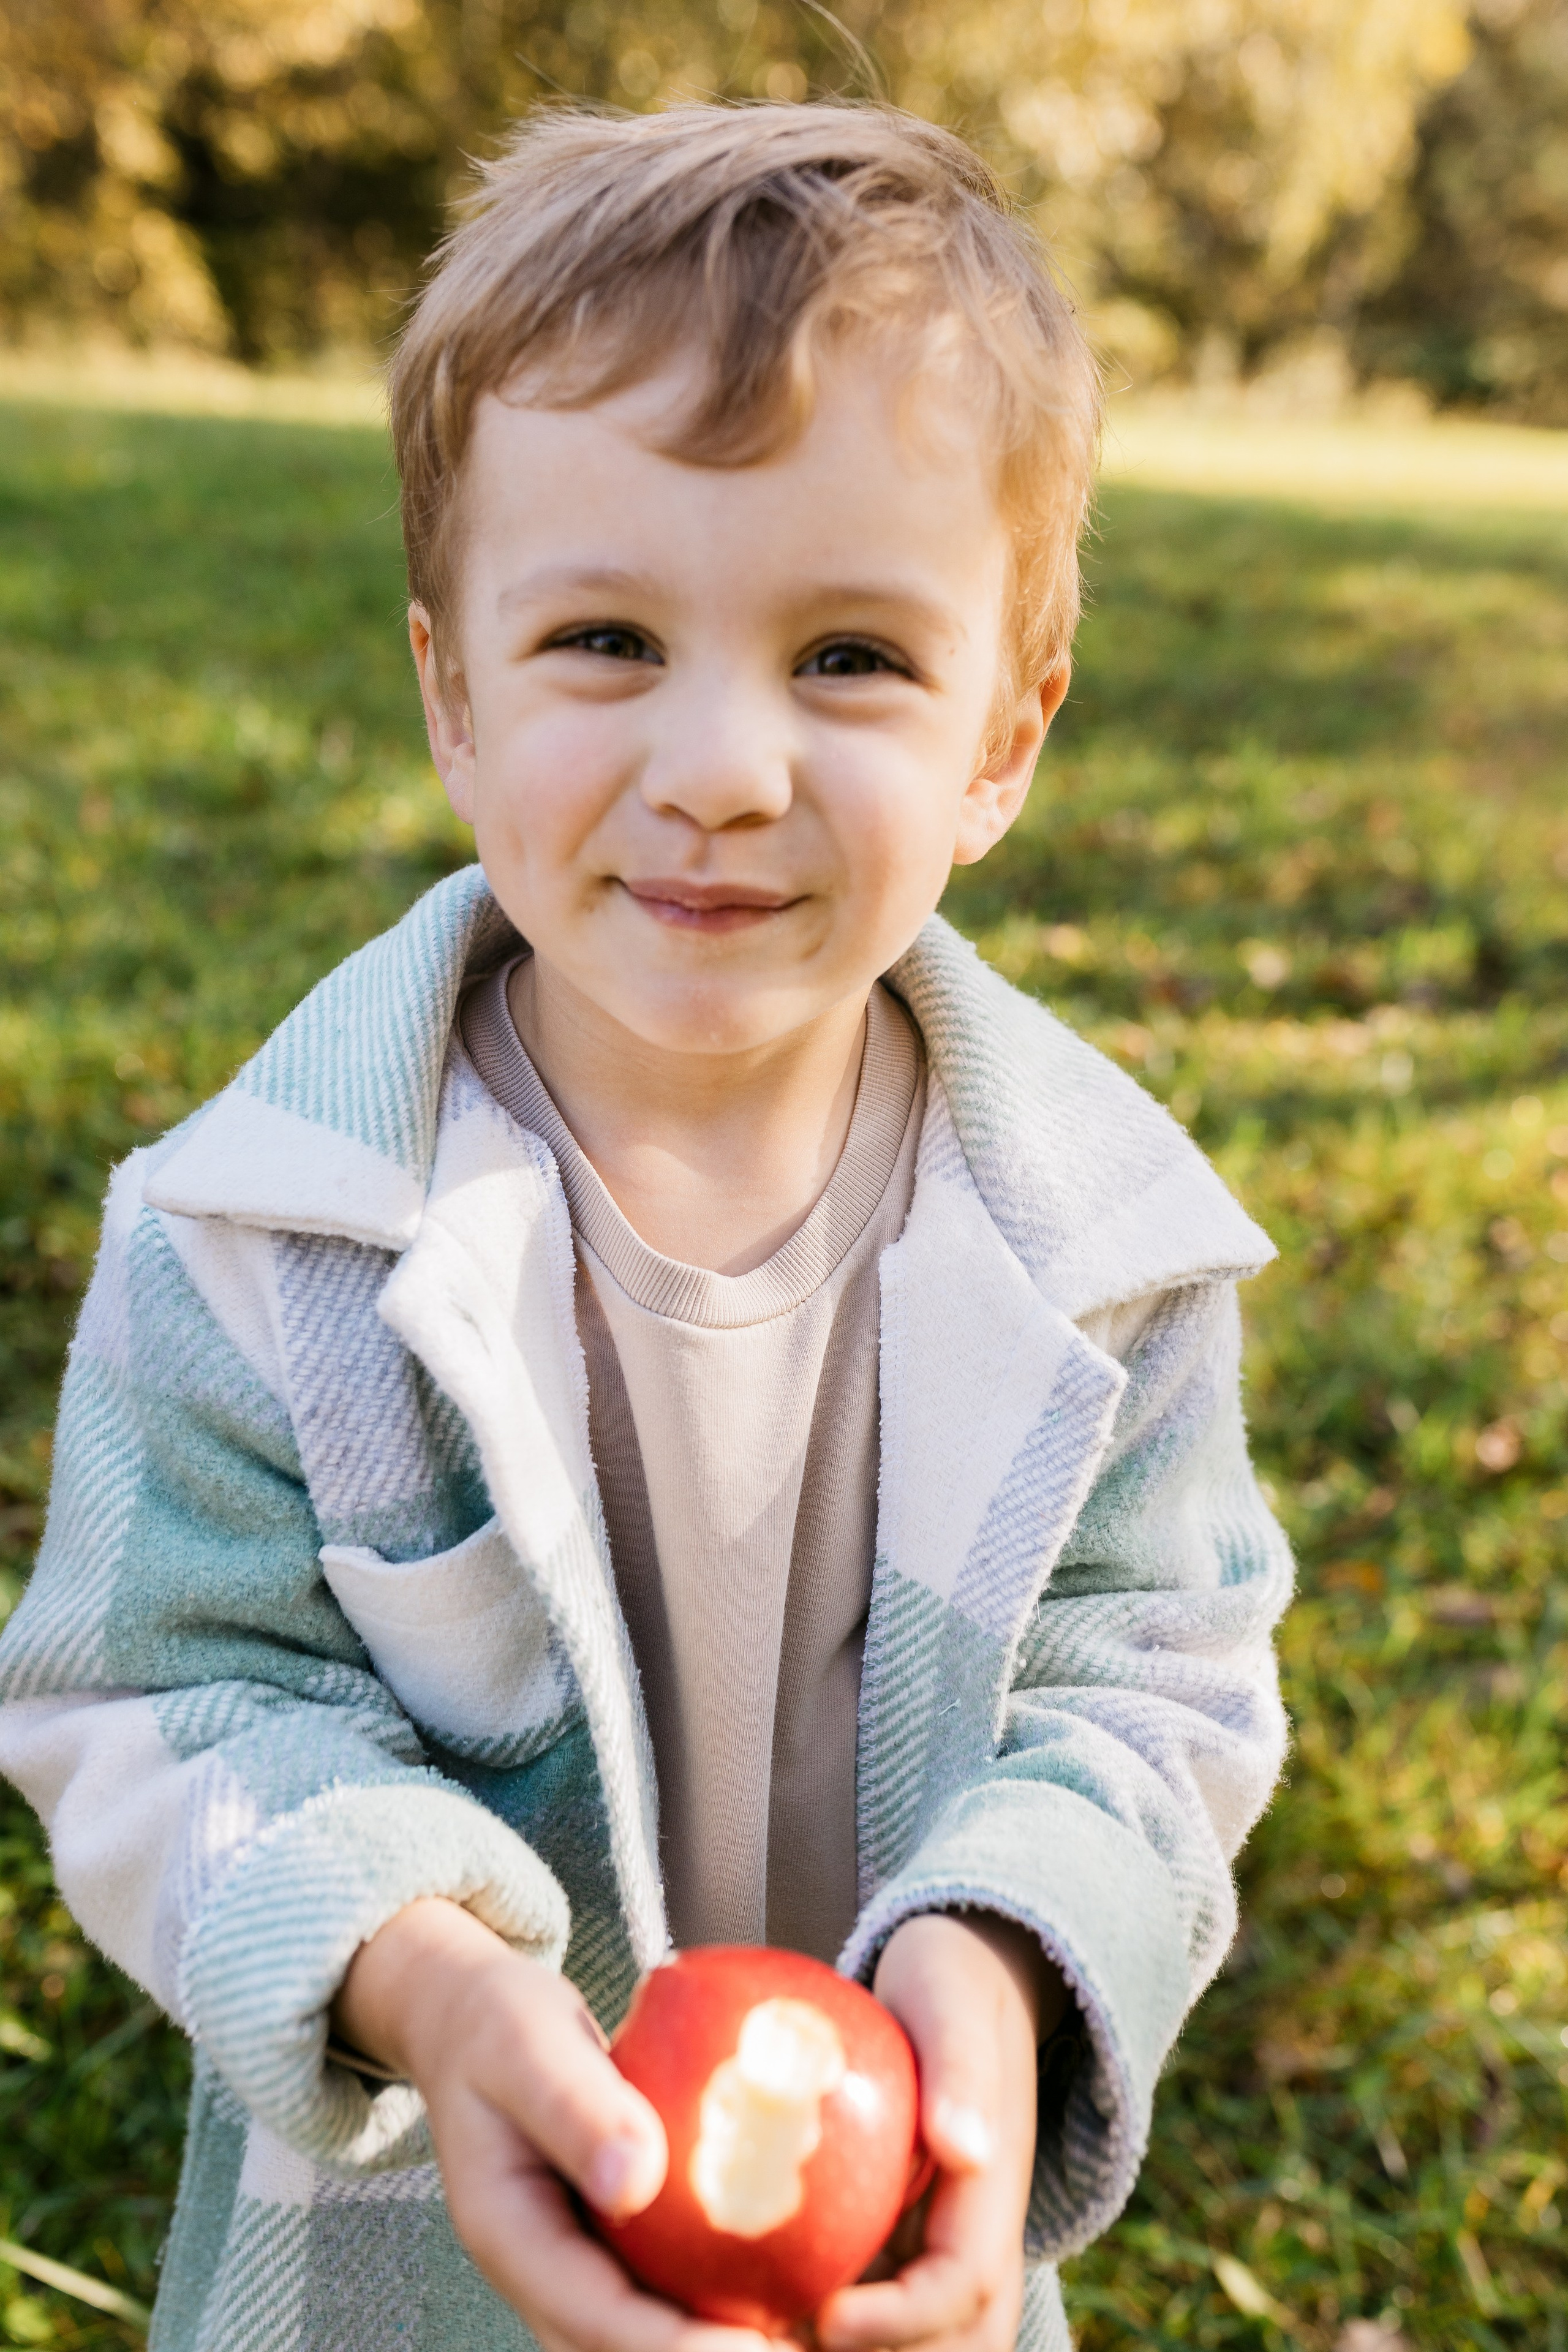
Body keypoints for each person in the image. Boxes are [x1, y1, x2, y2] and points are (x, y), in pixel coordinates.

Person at [0, 100, 1292, 2352]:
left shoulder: (1108, 1256)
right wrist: (424, 1977)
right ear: (452, 694)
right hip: (394, 2272)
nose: (719, 767)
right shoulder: (268, 1239)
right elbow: (162, 1697)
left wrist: (1000, 1962)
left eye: (851, 658)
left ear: (1008, 737)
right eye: (605, 636)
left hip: (888, 2255)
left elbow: (1153, 1685)